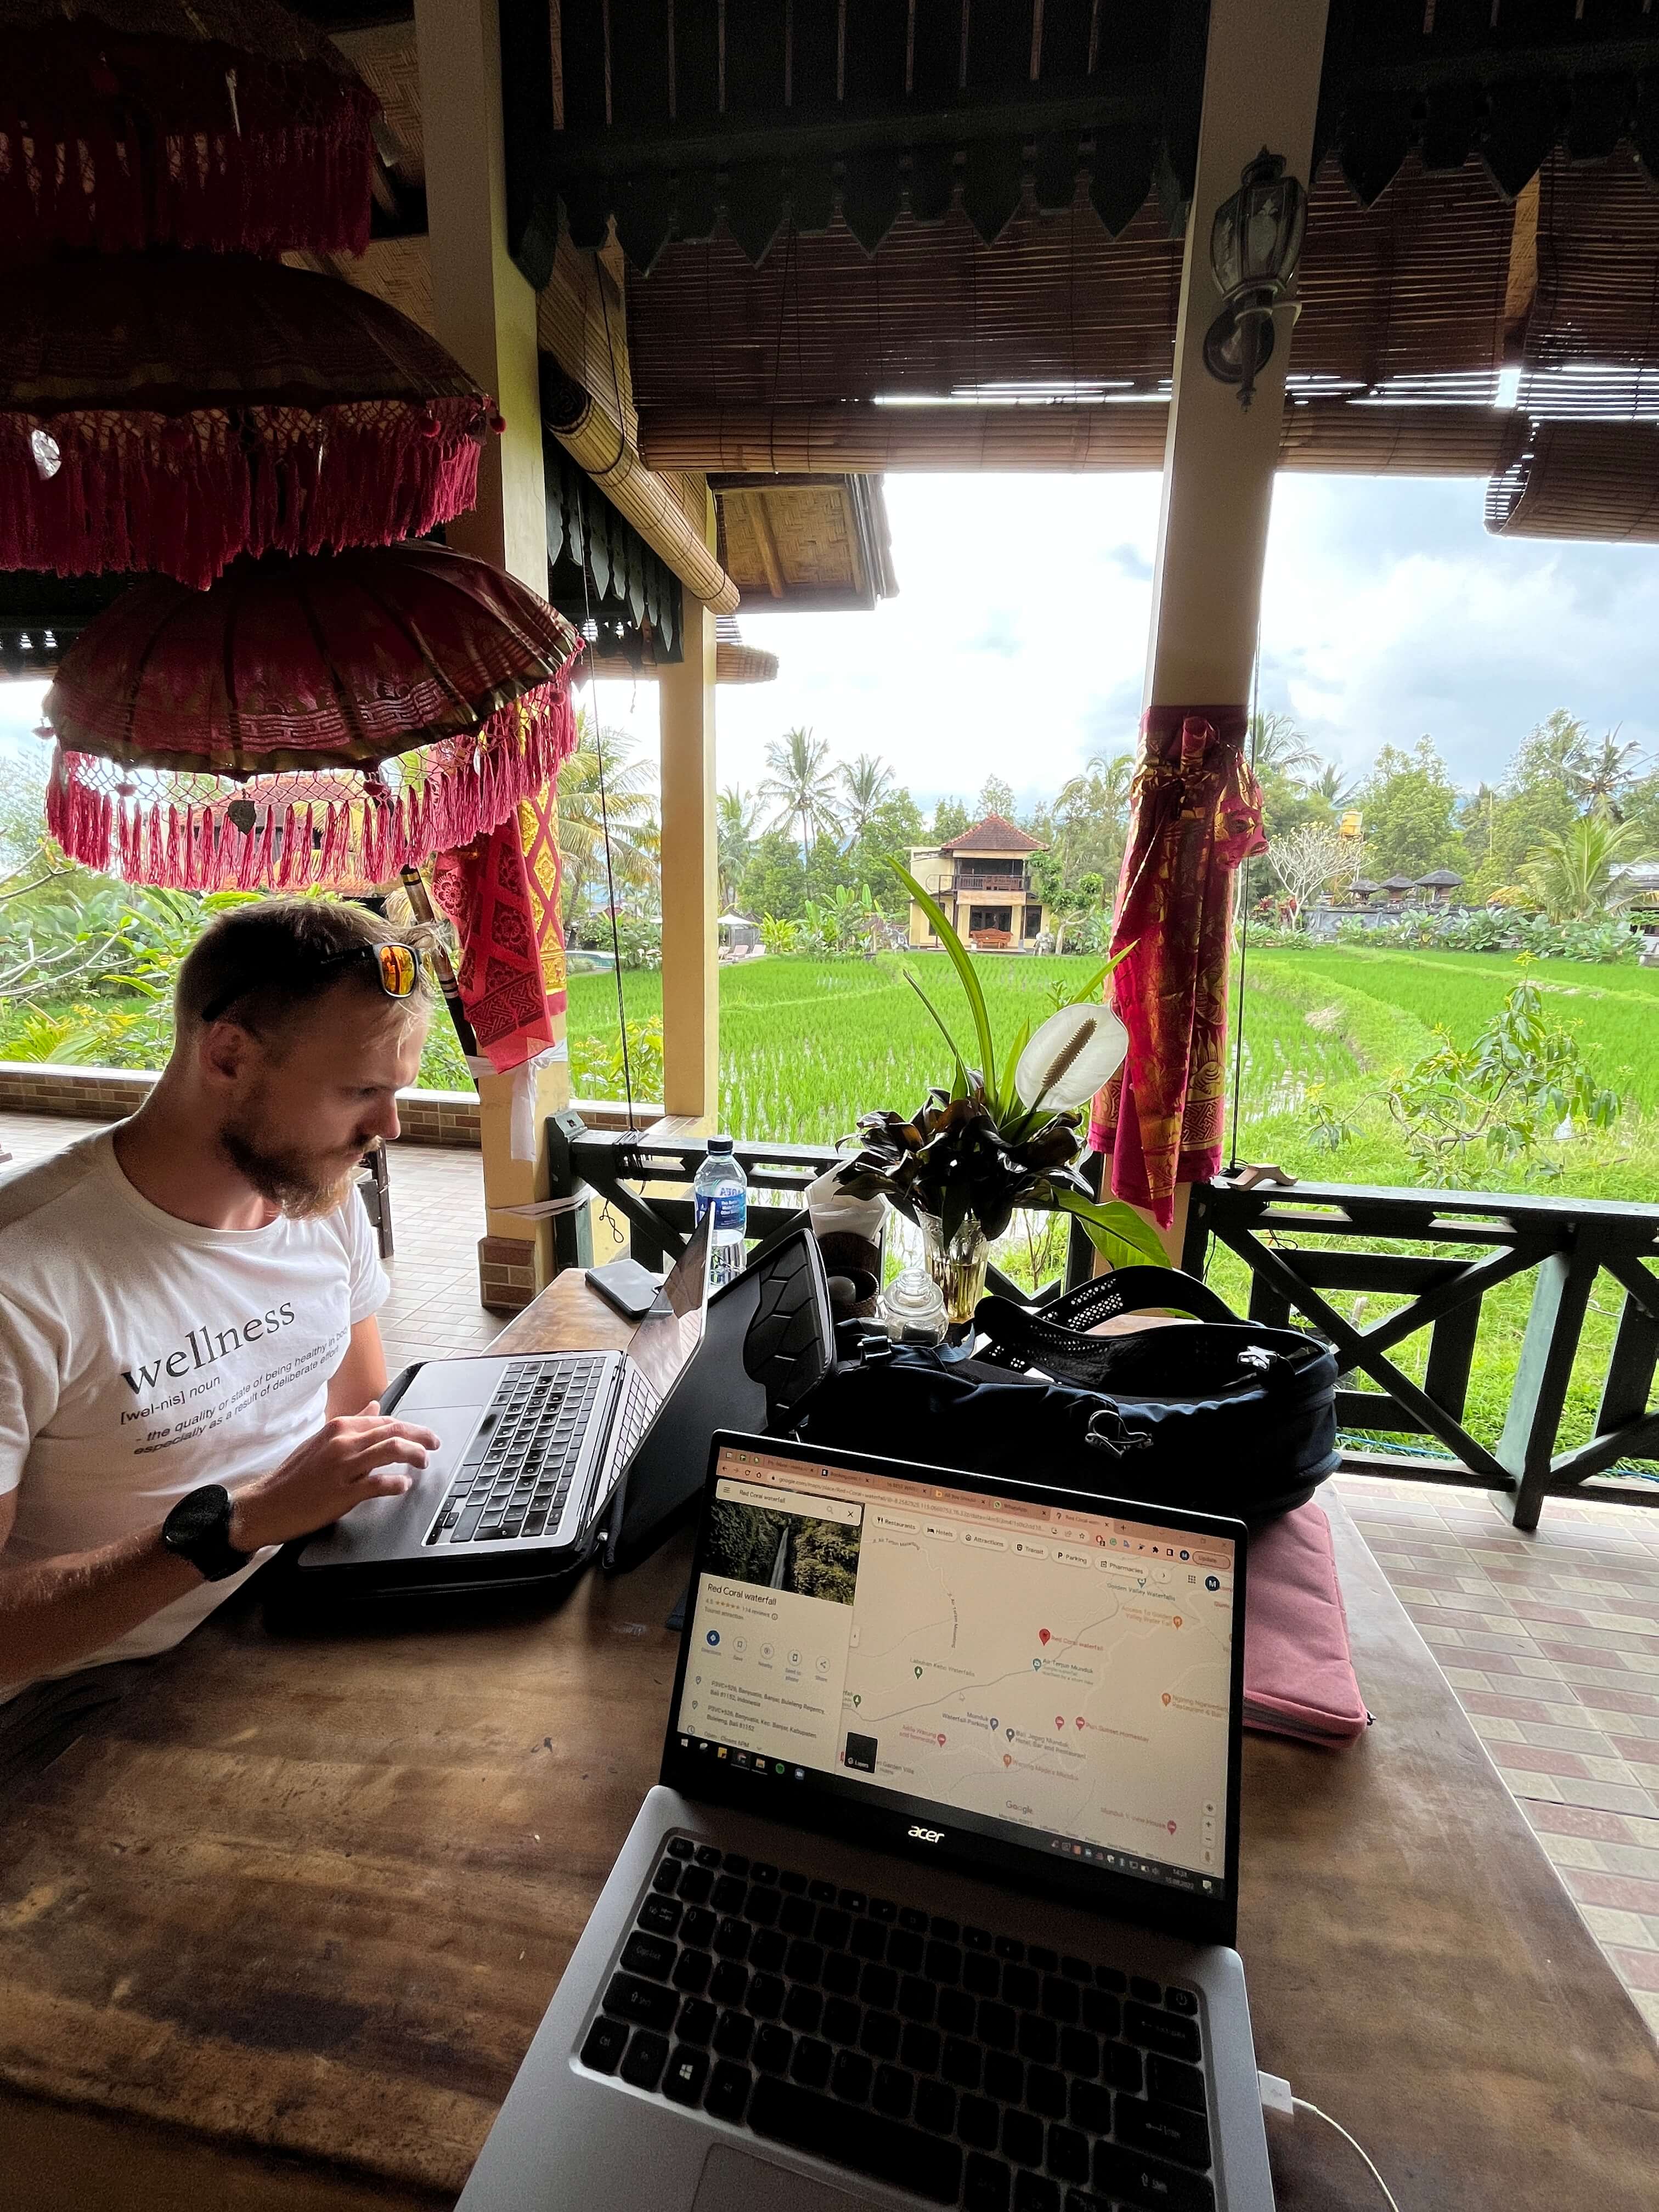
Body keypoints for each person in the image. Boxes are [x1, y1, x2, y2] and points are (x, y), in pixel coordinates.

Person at [0, 899, 444, 1709]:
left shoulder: (323, 1199)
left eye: (398, 1090)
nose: (391, 1126)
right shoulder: (22, 1278)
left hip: (296, 1614)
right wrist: (234, 1525)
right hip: (86, 1703)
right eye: (360, 1091)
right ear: (230, 1056)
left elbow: (361, 1407)